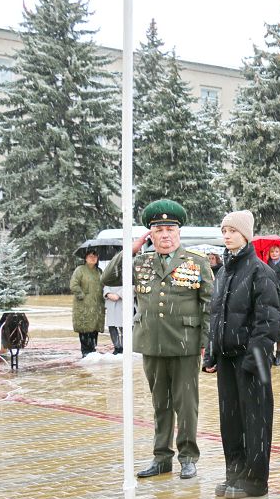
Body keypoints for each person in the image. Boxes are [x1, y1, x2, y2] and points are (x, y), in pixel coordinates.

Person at [102, 199, 214, 480]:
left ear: (178, 233)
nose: (165, 235)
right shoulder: (141, 261)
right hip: (152, 343)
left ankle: (187, 457)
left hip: (185, 343)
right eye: (158, 230)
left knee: (186, 405)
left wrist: (207, 343)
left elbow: (209, 305)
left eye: (170, 230)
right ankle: (162, 458)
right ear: (150, 234)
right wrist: (131, 249)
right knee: (160, 404)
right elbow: (108, 277)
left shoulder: (196, 262)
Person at [202, 210, 279, 499]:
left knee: (255, 420)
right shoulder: (223, 272)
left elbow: (267, 321)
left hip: (251, 360)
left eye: (232, 230)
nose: (227, 235)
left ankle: (255, 480)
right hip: (227, 357)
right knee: (231, 420)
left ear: (245, 234)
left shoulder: (260, 271)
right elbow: (216, 315)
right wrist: (211, 353)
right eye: (224, 230)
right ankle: (234, 472)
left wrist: (253, 358)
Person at [70, 248, 105, 357]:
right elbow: (73, 285)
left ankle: (93, 351)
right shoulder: (80, 270)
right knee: (85, 328)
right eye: (90, 256)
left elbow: (104, 285)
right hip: (83, 305)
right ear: (85, 258)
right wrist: (82, 295)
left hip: (97, 305)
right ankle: (85, 352)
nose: (93, 258)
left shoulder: (99, 271)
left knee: (94, 328)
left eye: (95, 256)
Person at [104, 284, 124, 355]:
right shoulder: (109, 278)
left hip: (122, 304)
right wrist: (108, 294)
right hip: (111, 304)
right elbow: (105, 284)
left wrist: (119, 294)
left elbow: (131, 285)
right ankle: (117, 347)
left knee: (123, 327)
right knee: (112, 327)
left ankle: (124, 347)